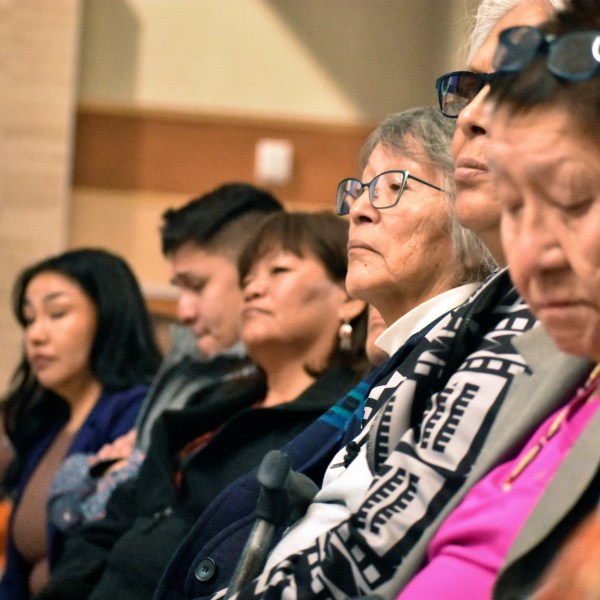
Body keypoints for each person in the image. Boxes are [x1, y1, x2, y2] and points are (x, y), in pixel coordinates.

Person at [175, 1, 572, 598]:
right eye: (470, 91)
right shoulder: (471, 333)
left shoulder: (498, 335)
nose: (359, 209)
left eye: (391, 188)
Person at [34, 211, 370, 600]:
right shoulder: (210, 403)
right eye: (247, 278)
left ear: (347, 299)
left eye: (278, 270)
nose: (253, 289)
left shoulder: (341, 421)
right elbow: (116, 519)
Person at [44, 183, 284, 536]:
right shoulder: (185, 359)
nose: (183, 311)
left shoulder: (264, 384)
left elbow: (142, 505)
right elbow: (76, 493)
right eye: (179, 288)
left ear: (255, 278)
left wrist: (116, 471)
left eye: (197, 286)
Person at [0, 248, 162, 599]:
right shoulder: (48, 420)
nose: (35, 335)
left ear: (109, 318)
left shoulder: (139, 413)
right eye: (28, 319)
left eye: (57, 313)